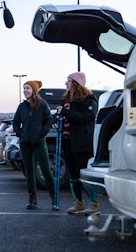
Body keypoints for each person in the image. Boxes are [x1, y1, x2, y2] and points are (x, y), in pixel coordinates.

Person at [54, 72, 99, 215]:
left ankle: (94, 204)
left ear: (76, 83)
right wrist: (55, 122)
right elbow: (59, 114)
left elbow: (88, 117)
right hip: (68, 141)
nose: (66, 84)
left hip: (83, 141)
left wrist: (66, 113)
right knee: (73, 174)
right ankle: (78, 203)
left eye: (69, 81)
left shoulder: (89, 99)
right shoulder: (66, 100)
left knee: (83, 173)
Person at [12, 80, 55, 210]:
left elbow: (49, 120)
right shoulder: (22, 106)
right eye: (24, 88)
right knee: (29, 170)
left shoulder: (42, 105)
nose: (25, 90)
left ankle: (54, 198)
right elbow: (15, 121)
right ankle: (32, 199)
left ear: (34, 91)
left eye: (28, 88)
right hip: (25, 142)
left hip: (39, 142)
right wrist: (20, 133)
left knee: (45, 169)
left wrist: (42, 133)